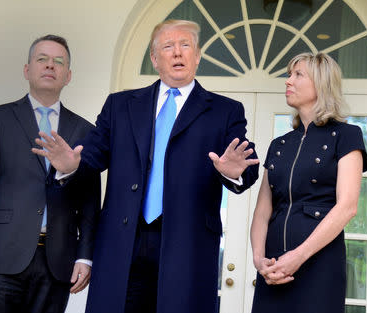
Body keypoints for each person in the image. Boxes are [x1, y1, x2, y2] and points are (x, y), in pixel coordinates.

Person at [33, 20, 259, 313]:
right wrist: (71, 165)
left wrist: (235, 172)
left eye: (185, 45)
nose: (177, 53)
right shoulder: (120, 105)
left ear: (197, 55)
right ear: (155, 59)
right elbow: (91, 156)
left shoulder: (225, 110)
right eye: (168, 46)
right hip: (124, 240)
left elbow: (246, 164)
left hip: (187, 244)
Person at [0, 34, 101, 313]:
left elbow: (89, 202)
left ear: (68, 75)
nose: (50, 66)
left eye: (58, 62)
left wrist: (85, 257)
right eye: (42, 59)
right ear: (27, 70)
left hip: (57, 263)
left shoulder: (85, 131)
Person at [250, 52, 367, 313]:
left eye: (297, 75)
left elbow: (348, 206)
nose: (288, 81)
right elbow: (262, 212)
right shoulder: (279, 145)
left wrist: (298, 256)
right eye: (288, 75)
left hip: (319, 268)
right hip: (273, 267)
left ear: (321, 83)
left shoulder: (347, 136)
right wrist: (259, 260)